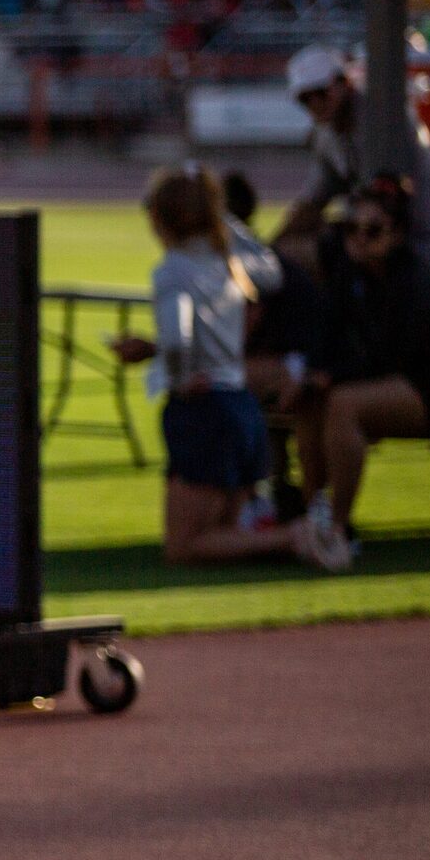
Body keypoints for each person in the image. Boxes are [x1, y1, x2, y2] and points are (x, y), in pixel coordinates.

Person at [108, 169, 327, 568]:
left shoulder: (173, 269)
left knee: (183, 547)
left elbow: (178, 331)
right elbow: (273, 271)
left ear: (161, 220)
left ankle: (294, 536)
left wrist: (177, 377)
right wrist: (219, 215)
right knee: (226, 532)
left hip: (204, 409)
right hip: (240, 404)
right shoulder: (230, 261)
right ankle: (290, 536)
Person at [287, 176, 430, 568]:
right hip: (396, 378)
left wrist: (331, 375)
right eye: (351, 228)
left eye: (373, 230)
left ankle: (339, 533)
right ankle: (317, 518)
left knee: (344, 402)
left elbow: (393, 355)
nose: (359, 238)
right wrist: (313, 374)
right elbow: (329, 330)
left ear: (397, 234)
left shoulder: (415, 280)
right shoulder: (352, 272)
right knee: (312, 399)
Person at [274, 45, 430, 277]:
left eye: (321, 93)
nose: (314, 103)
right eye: (305, 99)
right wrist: (272, 247)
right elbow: (312, 201)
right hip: (393, 247)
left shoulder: (379, 120)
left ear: (343, 83)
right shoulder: (328, 134)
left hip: (429, 250)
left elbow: (383, 207)